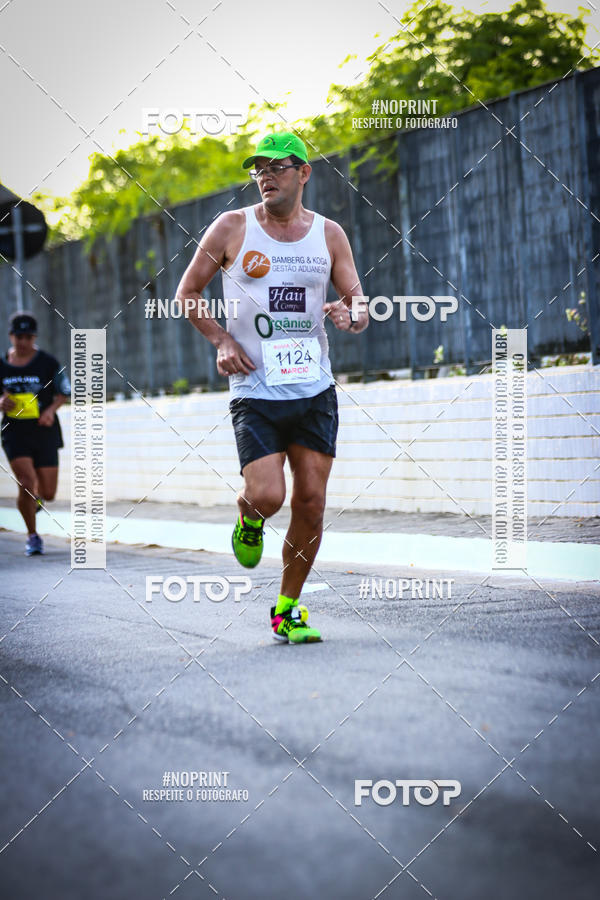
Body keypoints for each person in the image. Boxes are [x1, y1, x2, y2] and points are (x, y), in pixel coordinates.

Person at [177, 132, 368, 643]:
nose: (265, 175)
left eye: (277, 166)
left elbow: (358, 300)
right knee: (268, 495)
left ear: (304, 173)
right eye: (258, 168)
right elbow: (187, 292)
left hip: (313, 388)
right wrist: (219, 339)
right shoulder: (231, 228)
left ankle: (287, 608)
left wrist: (351, 313)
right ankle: (248, 516)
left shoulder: (328, 234)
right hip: (254, 391)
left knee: (310, 502)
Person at [0, 312, 71, 556]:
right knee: (27, 483)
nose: (23, 342)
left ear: (34, 337)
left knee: (48, 493)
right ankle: (32, 536)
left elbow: (64, 391)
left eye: (28, 337)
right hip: (14, 432)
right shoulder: (1, 365)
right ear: (11, 336)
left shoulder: (48, 362)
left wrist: (51, 410)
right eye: (18, 336)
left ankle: (37, 500)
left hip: (44, 430)